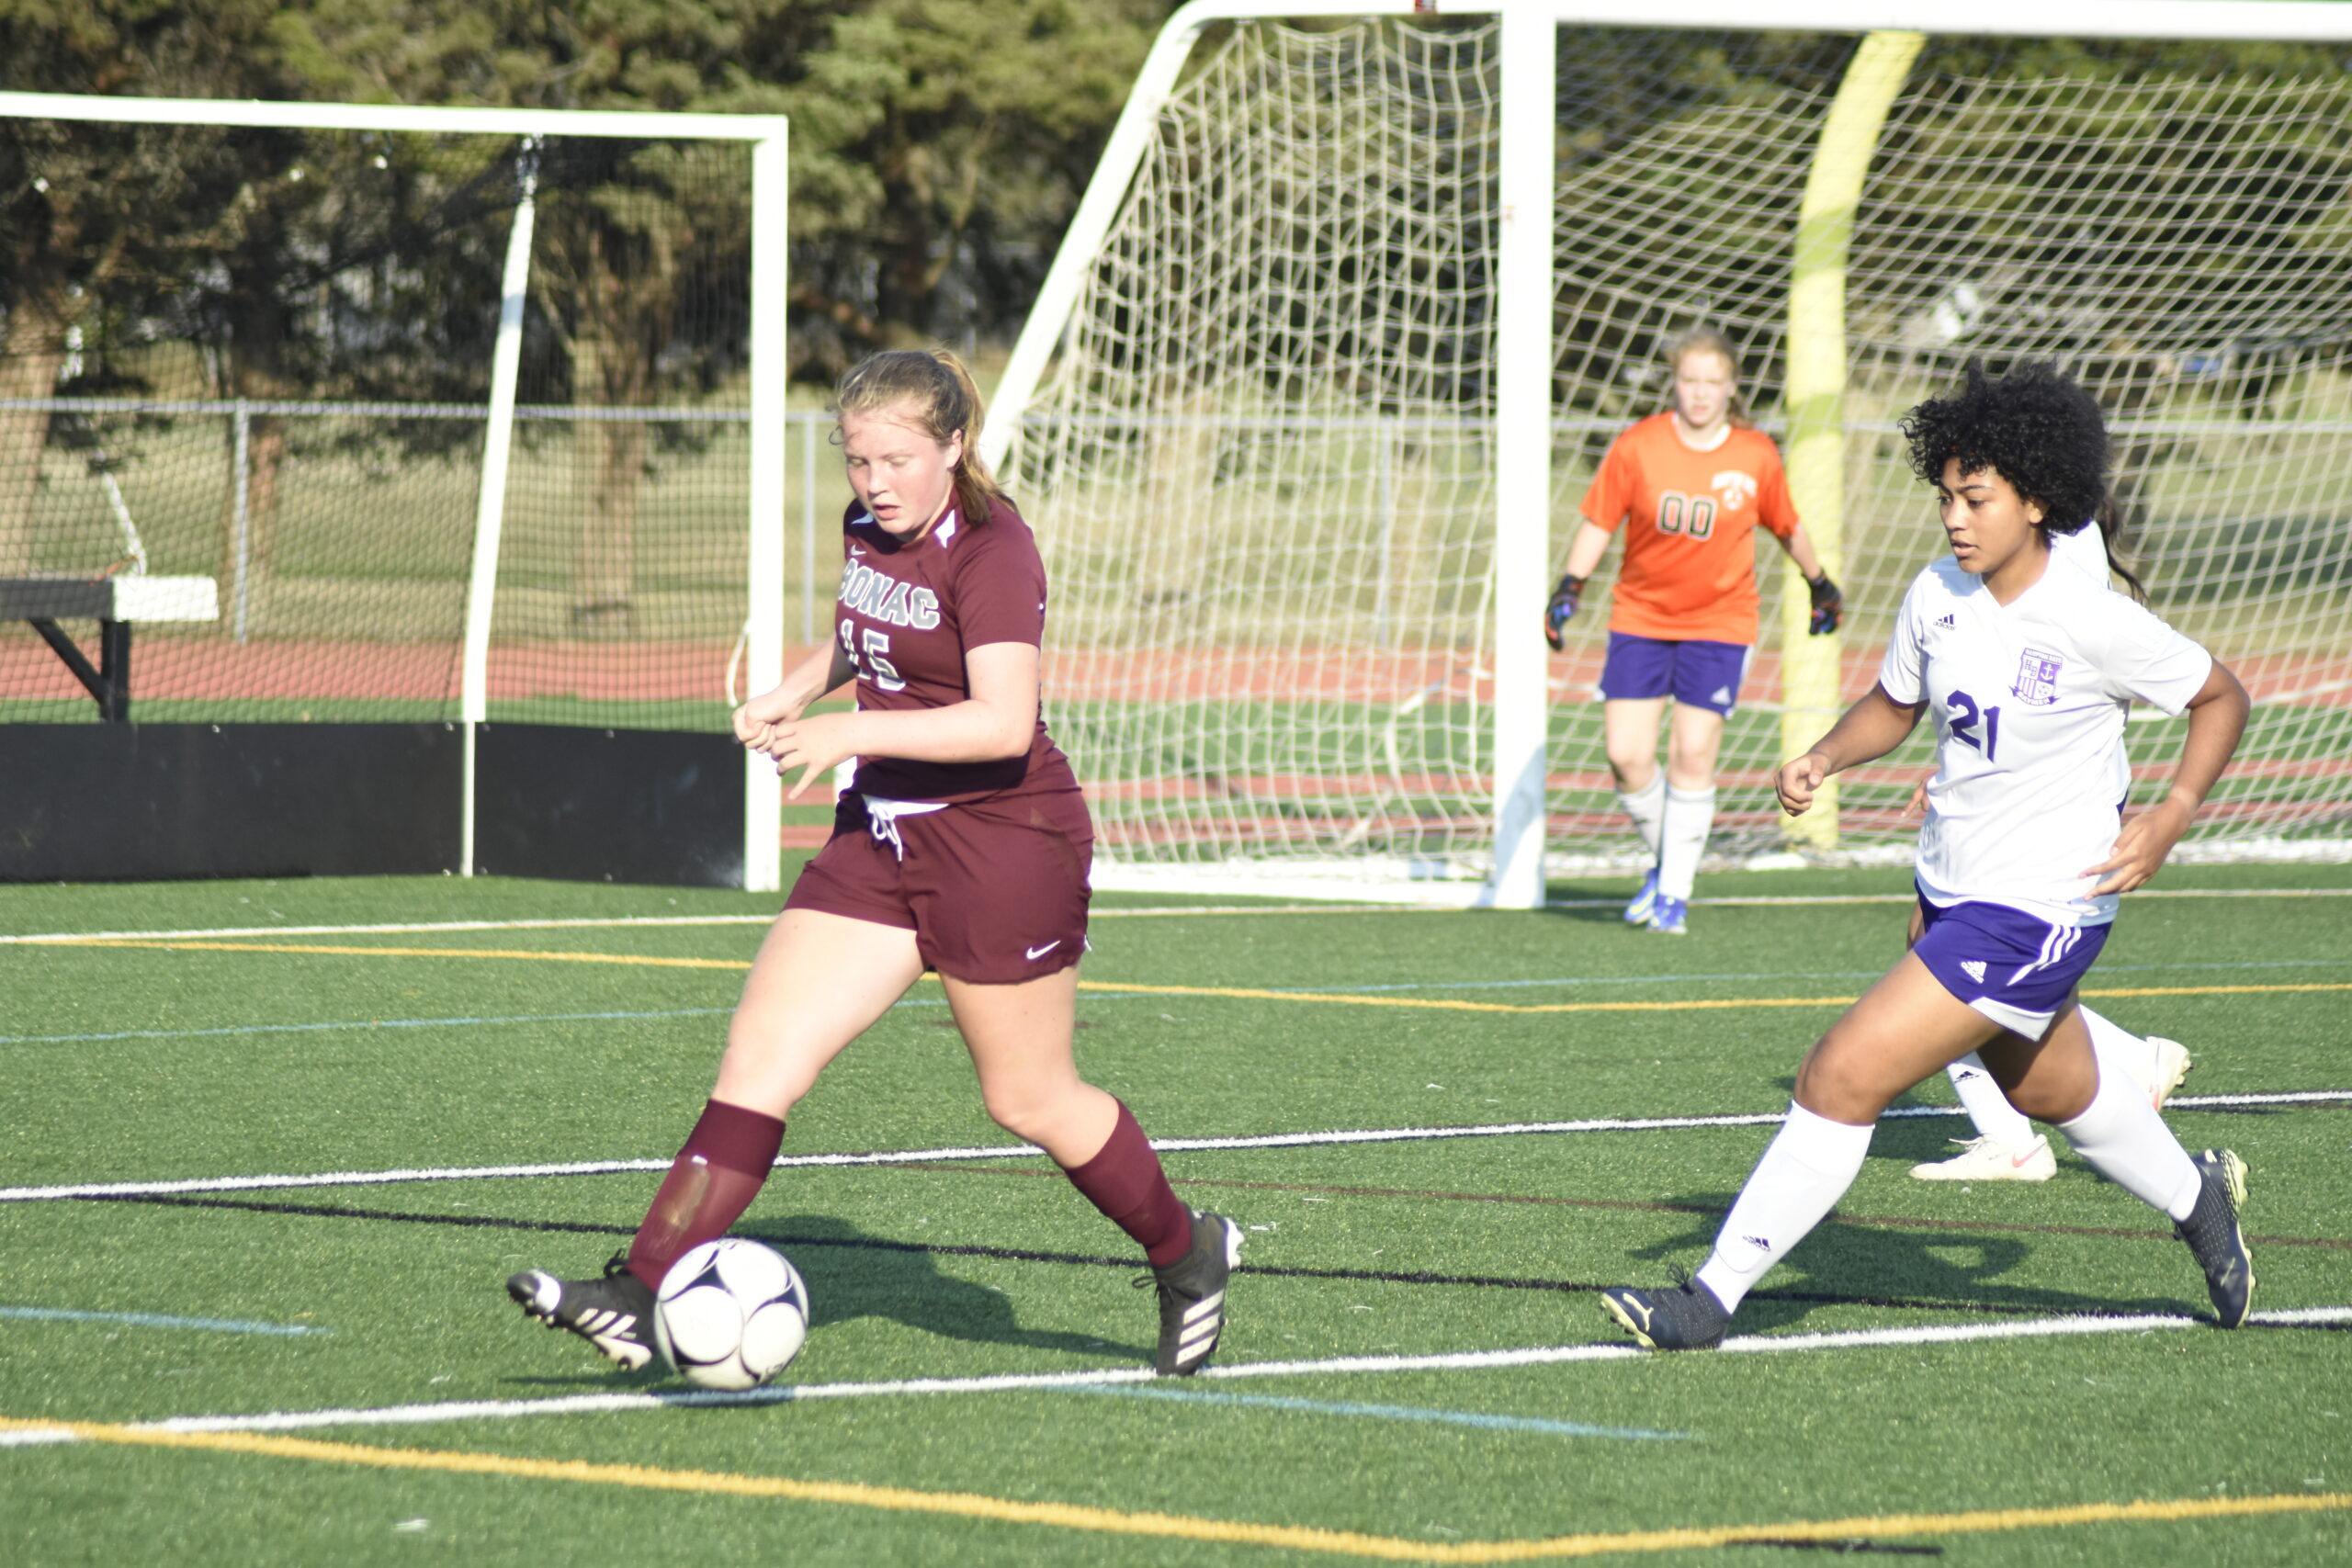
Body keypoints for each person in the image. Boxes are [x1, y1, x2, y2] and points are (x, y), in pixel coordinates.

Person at [507, 349, 1240, 1379]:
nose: (876, 481)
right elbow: (869, 633)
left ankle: (1186, 1251)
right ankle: (636, 1292)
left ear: (954, 446)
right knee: (761, 1059)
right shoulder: (871, 525)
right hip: (881, 835)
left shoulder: (994, 549)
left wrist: (844, 735)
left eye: (896, 458)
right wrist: (799, 689)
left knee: (1028, 1099)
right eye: (858, 461)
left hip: (1002, 844)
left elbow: (1000, 722)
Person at [1599, 360, 2255, 1351]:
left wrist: (2171, 811)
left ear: (2037, 502)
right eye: (1944, 495)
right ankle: (2194, 1196)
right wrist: (1823, 753)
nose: (1953, 515)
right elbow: (1898, 704)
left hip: (2043, 904)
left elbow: (2222, 696)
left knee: (1840, 1074)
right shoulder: (1936, 593)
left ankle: (1708, 1300)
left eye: (1976, 498)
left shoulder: (2089, 617)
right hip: (1949, 886)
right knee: (2047, 1087)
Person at [1906, 519, 2190, 1180]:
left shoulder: (2058, 528)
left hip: (2062, 793)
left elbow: (2052, 669)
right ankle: (2120, 1068)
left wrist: (2174, 811)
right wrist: (1966, 764)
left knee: (1943, 958)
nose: (1955, 512)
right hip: (2029, 782)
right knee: (1955, 955)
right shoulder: (2023, 525)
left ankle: (2016, 1139)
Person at [1544, 328, 1843, 935]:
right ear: (1673, 383)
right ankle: (1669, 863)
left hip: (1720, 622)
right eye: (1690, 381)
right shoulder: (1638, 445)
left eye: (1713, 382)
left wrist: (1820, 582)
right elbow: (1599, 522)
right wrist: (1568, 587)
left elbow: (1786, 525)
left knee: (1691, 751)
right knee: (1627, 756)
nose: (1701, 393)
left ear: (1730, 387)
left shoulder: (1755, 454)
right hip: (1640, 617)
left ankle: (1673, 896)